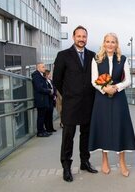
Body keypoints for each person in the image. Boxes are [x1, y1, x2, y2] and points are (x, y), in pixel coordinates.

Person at [53, 25, 98, 182]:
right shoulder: (63, 55)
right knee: (68, 136)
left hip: (88, 102)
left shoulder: (93, 56)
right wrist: (67, 94)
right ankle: (66, 166)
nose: (81, 39)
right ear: (73, 37)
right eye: (78, 36)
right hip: (71, 103)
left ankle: (85, 162)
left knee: (86, 134)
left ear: (86, 38)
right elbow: (57, 79)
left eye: (84, 36)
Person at [88, 33, 135, 177]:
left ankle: (122, 162)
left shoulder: (122, 59)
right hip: (101, 98)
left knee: (119, 127)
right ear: (104, 43)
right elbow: (93, 80)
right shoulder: (96, 59)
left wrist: (116, 87)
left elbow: (128, 80)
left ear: (116, 44)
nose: (110, 44)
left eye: (113, 42)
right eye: (107, 41)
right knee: (103, 127)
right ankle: (105, 160)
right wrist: (104, 88)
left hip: (118, 97)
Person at [32, 63, 53, 137]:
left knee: (42, 116)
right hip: (41, 99)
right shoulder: (36, 76)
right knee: (41, 117)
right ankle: (40, 132)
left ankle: (43, 130)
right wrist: (49, 91)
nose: (44, 68)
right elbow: (39, 88)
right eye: (43, 67)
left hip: (43, 99)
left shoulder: (40, 75)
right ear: (38, 68)